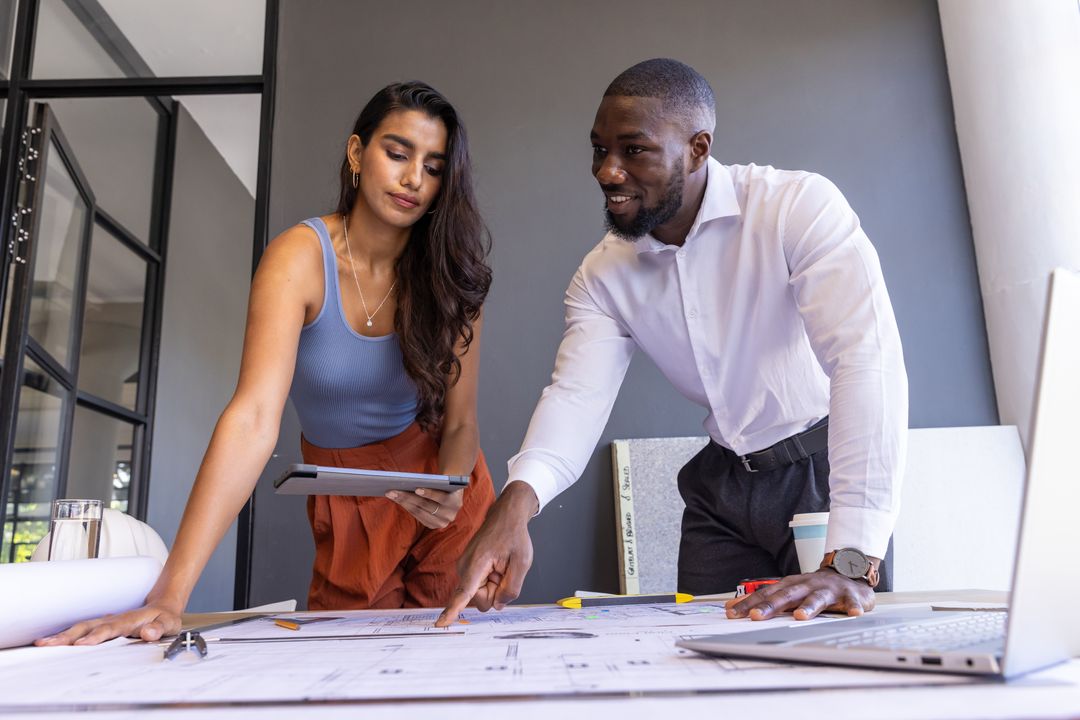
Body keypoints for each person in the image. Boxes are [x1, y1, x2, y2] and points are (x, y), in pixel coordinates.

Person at [437, 59, 907, 628]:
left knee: (840, 669)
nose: (608, 172)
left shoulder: (797, 208)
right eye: (598, 150)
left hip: (822, 475)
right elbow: (575, 397)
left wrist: (852, 562)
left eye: (634, 150)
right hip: (722, 491)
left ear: (698, 148)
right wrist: (513, 506)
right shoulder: (602, 275)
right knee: (703, 664)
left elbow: (865, 362)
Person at [39, 81, 495, 646]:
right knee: (359, 665)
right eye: (397, 154)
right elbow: (253, 419)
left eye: (433, 167)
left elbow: (461, 422)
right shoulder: (299, 258)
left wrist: (449, 490)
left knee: (461, 656)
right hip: (349, 491)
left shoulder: (452, 274)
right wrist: (169, 597)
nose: (412, 180)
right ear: (357, 154)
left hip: (442, 484)